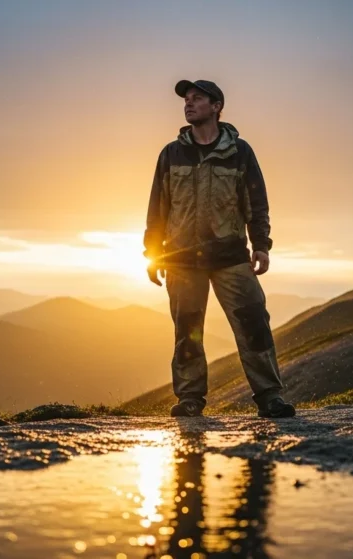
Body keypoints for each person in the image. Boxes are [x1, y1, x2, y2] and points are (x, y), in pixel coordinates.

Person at [143, 79, 296, 419]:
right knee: (187, 331)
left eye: (198, 98)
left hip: (230, 257)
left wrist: (261, 244)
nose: (189, 103)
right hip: (181, 259)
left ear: (216, 106)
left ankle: (270, 396)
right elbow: (158, 208)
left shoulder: (241, 152)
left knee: (254, 321)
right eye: (186, 99)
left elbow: (256, 201)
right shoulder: (171, 153)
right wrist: (151, 252)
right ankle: (191, 399)